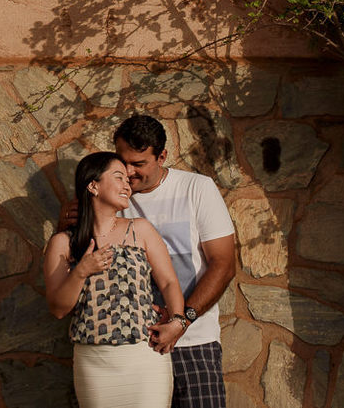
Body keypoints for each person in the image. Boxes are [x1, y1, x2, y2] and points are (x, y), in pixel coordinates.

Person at [61, 115, 237, 408]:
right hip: (133, 349)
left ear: (162, 156)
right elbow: (73, 256)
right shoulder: (109, 197)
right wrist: (64, 223)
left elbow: (224, 265)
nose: (128, 173)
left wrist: (182, 322)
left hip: (192, 340)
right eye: (122, 162)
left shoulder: (197, 189)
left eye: (138, 164)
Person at [44, 151, 189, 408]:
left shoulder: (140, 229)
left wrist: (178, 322)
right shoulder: (63, 243)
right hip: (94, 362)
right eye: (119, 177)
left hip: (145, 358)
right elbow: (57, 309)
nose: (127, 184)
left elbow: (168, 282)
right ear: (93, 185)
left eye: (127, 180)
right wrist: (81, 271)